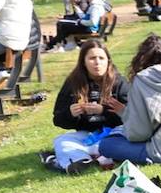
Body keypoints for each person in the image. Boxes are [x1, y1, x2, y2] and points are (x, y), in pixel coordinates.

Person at [96, 34, 161, 166]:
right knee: (119, 132)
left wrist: (126, 116)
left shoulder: (141, 80)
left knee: (106, 144)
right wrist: (125, 112)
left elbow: (139, 134)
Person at [46, 39, 128, 174]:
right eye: (92, 58)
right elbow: (58, 119)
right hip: (87, 137)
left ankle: (98, 154)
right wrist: (71, 114)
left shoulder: (119, 82)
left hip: (115, 134)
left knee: (123, 136)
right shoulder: (73, 82)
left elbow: (131, 115)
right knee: (61, 141)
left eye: (101, 58)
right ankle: (81, 160)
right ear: (83, 61)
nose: (97, 62)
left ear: (108, 60)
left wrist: (104, 111)